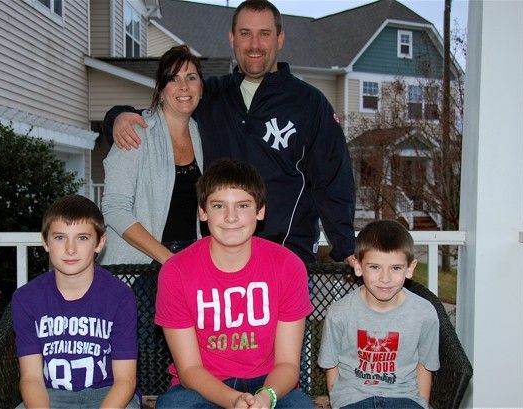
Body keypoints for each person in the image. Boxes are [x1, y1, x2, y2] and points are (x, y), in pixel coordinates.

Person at [104, 0, 356, 266]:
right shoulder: (210, 95)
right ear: (232, 38)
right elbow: (161, 113)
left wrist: (346, 246)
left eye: (265, 34)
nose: (255, 44)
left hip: (285, 257)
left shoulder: (309, 104)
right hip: (219, 261)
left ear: (280, 39)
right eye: (245, 33)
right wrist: (118, 117)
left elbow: (333, 179)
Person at [154, 158, 314, 408]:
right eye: (219, 205)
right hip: (202, 386)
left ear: (260, 211)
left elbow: (287, 364)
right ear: (203, 211)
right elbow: (189, 369)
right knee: (175, 406)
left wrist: (265, 397)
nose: (231, 217)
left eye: (242, 205)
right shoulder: (176, 271)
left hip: (268, 383)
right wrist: (234, 400)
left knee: (300, 406)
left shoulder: (288, 265)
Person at [12, 195, 139, 409]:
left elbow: (125, 381)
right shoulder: (26, 298)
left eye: (82, 238)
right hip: (50, 395)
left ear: (100, 242)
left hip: (107, 394)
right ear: (45, 242)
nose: (70, 249)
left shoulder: (120, 297)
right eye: (60, 237)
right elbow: (31, 378)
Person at [99, 44, 203, 266]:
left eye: (191, 77)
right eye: (174, 79)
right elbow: (114, 208)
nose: (184, 86)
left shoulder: (202, 135)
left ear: (201, 86)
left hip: (190, 257)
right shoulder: (135, 131)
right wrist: (167, 258)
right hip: (138, 265)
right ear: (161, 90)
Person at [318, 220, 439, 409]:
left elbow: (425, 365)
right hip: (353, 399)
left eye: (396, 268)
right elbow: (330, 364)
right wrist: (337, 401)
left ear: (410, 268)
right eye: (375, 267)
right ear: (358, 266)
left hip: (404, 398)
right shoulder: (340, 313)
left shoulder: (424, 313)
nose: (385, 278)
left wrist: (421, 404)